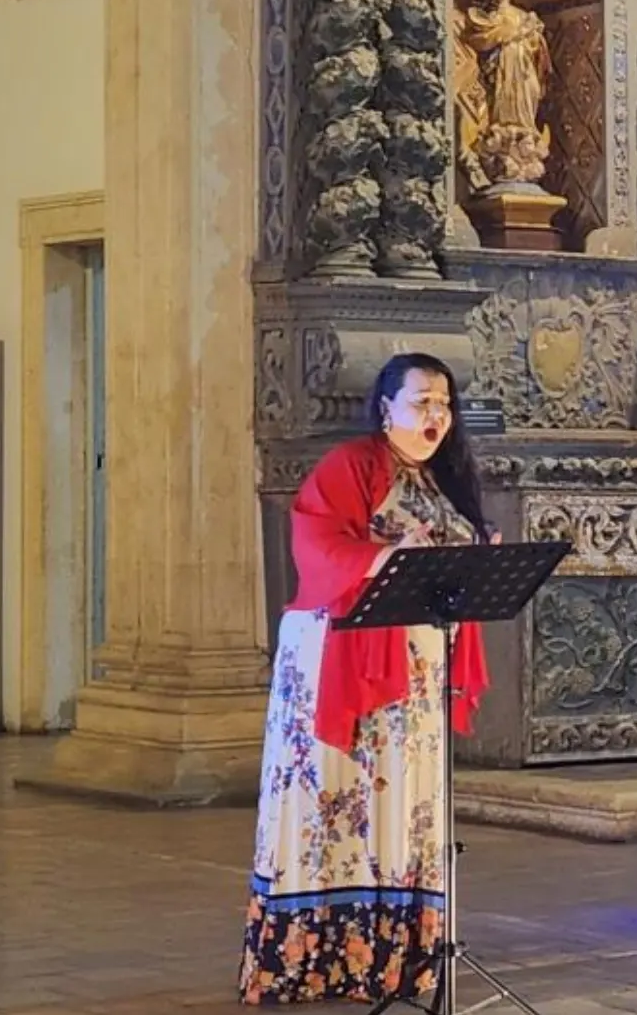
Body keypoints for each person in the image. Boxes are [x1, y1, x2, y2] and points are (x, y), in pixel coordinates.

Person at [239, 353, 500, 1005]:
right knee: (335, 809)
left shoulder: (445, 479)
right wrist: (387, 554)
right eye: (421, 401)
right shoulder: (352, 465)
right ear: (386, 409)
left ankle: (397, 959)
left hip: (417, 668)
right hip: (345, 656)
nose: (435, 414)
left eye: (444, 402)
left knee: (406, 812)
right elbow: (316, 544)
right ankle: (320, 960)